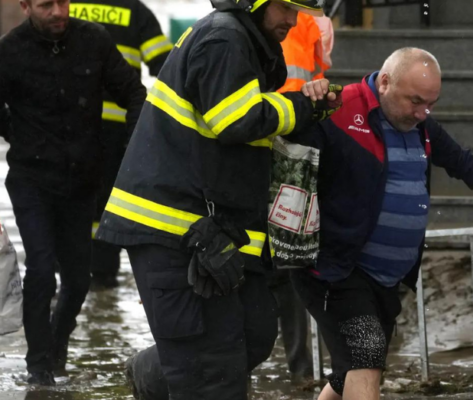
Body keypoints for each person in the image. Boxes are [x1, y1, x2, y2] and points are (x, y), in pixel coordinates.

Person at [92, 0, 339, 397]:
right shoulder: (223, 37)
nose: (292, 22)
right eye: (284, 7)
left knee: (253, 335)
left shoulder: (242, 40)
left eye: (298, 11)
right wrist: (302, 106)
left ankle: (155, 373)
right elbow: (233, 119)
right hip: (173, 232)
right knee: (211, 369)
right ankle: (170, 370)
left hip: (212, 230)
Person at [289, 47, 473, 399]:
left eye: (431, 103)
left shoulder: (419, 122)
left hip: (385, 278)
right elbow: (281, 143)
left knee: (351, 371)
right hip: (336, 269)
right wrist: (304, 99)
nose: (423, 112)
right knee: (365, 354)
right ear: (384, 82)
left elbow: (447, 150)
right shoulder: (337, 108)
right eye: (415, 101)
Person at [0, 0, 146, 386]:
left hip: (83, 181)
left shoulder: (93, 40)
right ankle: (39, 366)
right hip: (32, 180)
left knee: (79, 279)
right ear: (26, 6)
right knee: (42, 271)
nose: (58, 12)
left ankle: (57, 347)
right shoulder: (8, 51)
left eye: (63, 2)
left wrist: (130, 154)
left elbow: (134, 93)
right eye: (47, 5)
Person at [67, 0, 174, 290]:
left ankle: (66, 270)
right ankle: (102, 277)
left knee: (67, 199)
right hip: (115, 128)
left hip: (66, 127)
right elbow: (166, 66)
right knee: (106, 203)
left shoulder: (63, 6)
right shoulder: (134, 10)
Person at [269, 10, 336, 382]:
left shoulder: (309, 20)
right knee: (283, 263)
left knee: (287, 262)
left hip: (288, 141)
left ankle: (301, 372)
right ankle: (301, 373)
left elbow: (318, 79)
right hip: (275, 138)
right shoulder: (311, 21)